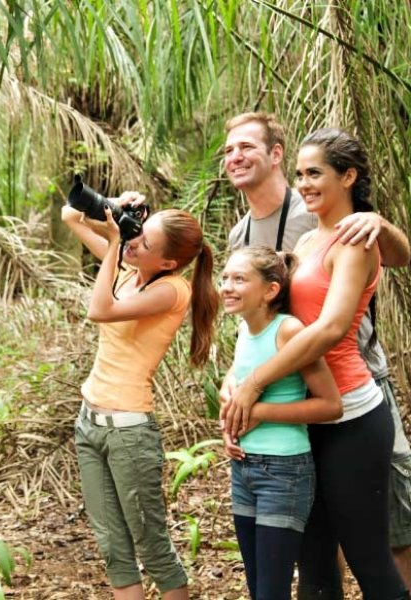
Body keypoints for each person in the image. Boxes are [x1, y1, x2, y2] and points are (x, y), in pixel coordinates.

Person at [222, 111, 411, 589]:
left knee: (368, 558)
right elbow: (270, 320)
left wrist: (256, 384)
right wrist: (235, 383)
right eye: (301, 173)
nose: (304, 184)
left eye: (316, 173)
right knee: (315, 564)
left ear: (347, 177)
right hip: (304, 419)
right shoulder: (307, 239)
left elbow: (328, 329)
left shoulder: (355, 240)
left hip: (350, 413)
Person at [61, 198, 218, 600]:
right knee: (114, 549)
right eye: (137, 233)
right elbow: (69, 215)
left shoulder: (172, 290)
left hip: (129, 433)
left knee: (153, 548)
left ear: (167, 262)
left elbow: (100, 309)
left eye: (144, 243)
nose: (134, 244)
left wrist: (114, 244)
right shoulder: (131, 269)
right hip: (89, 425)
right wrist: (114, 207)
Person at [220, 246, 341, 599]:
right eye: (225, 277)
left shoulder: (288, 330)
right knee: (258, 588)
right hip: (243, 469)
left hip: (283, 473)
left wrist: (256, 413)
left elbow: (330, 405)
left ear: (270, 290)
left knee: (272, 592)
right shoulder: (244, 328)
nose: (227, 286)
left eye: (239, 279)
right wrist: (229, 423)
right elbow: (237, 384)